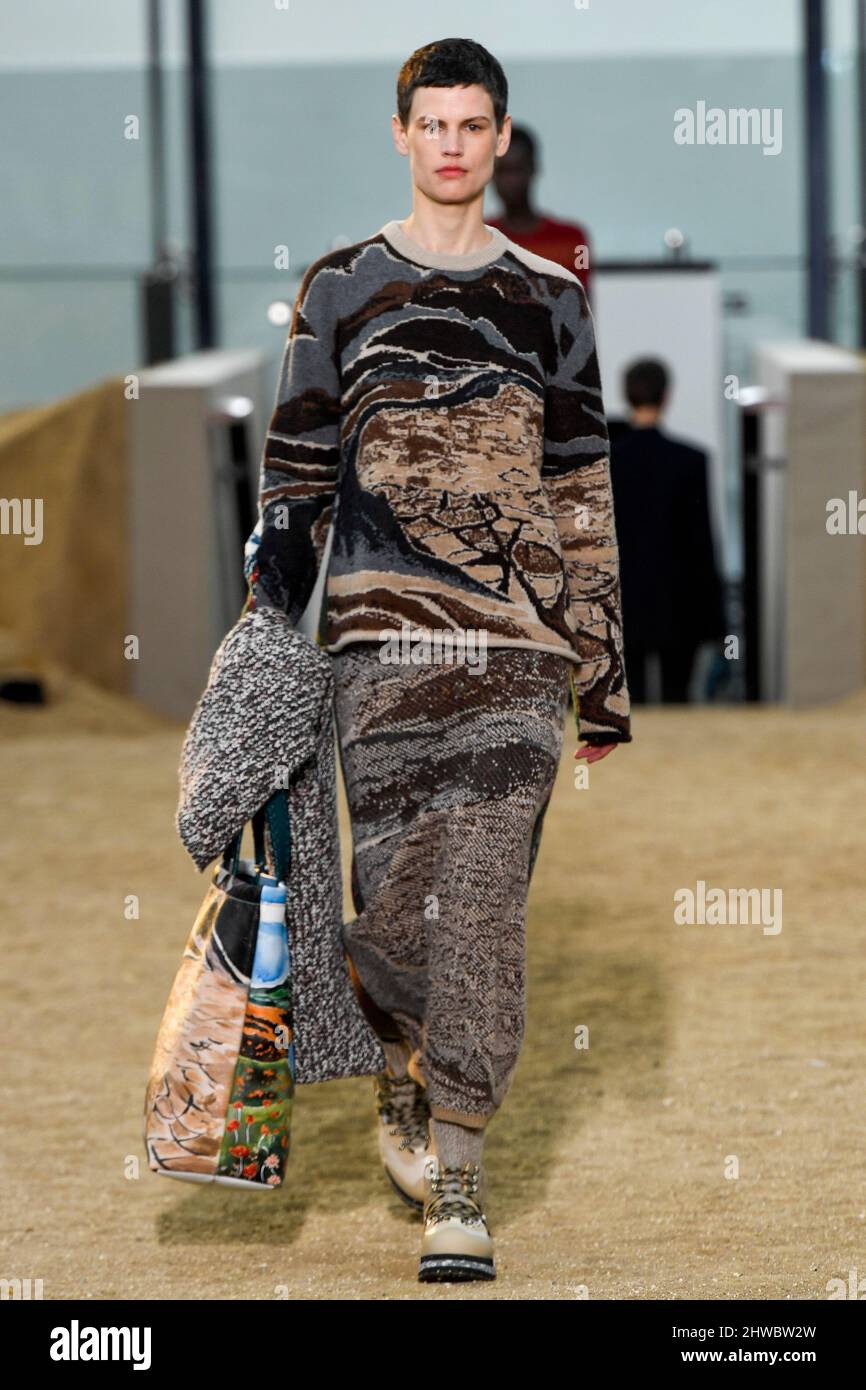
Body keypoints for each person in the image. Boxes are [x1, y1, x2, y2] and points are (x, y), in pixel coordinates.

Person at [243, 36, 631, 1283]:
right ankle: (396, 1060)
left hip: (516, 656)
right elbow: (296, 476)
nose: (453, 143)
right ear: (401, 135)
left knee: (479, 905)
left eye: (475, 125)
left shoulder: (549, 298)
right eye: (434, 123)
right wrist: (264, 638)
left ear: (500, 140)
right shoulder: (339, 289)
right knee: (395, 900)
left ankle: (457, 1173)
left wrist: (599, 678)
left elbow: (580, 495)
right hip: (376, 649)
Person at [609, 359, 726, 702]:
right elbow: (702, 543)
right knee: (679, 701)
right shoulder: (691, 460)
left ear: (626, 395)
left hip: (624, 605)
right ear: (667, 396)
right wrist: (716, 621)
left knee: (633, 705)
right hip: (681, 607)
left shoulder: (607, 463)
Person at [487, 124, 594, 301]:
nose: (510, 181)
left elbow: (582, 313)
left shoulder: (573, 241)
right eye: (502, 171)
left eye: (517, 170)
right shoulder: (476, 241)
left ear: (533, 169)